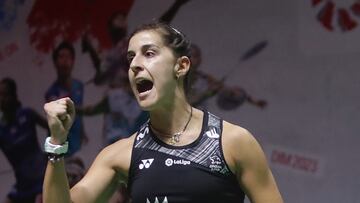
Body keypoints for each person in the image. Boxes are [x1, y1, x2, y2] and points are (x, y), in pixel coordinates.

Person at [42, 22, 283, 203]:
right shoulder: (121, 153)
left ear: (181, 66)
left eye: (149, 53)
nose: (135, 64)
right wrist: (56, 143)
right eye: (130, 57)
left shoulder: (233, 142)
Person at [0, 77, 48, 203]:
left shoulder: (27, 114)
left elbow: (53, 129)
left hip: (41, 182)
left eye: (5, 95)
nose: (1, 99)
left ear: (13, 96)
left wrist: (50, 153)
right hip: (22, 187)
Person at [187, 44, 268, 109]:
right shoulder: (179, 77)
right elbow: (187, 102)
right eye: (194, 56)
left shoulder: (204, 77)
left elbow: (226, 89)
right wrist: (208, 92)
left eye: (198, 56)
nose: (198, 59)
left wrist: (254, 102)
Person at [45, 41, 87, 157]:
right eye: (61, 57)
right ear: (55, 62)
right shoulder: (51, 93)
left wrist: (83, 131)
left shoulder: (79, 86)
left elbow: (79, 115)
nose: (65, 61)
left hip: (79, 145)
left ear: (73, 61)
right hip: (62, 148)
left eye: (68, 57)